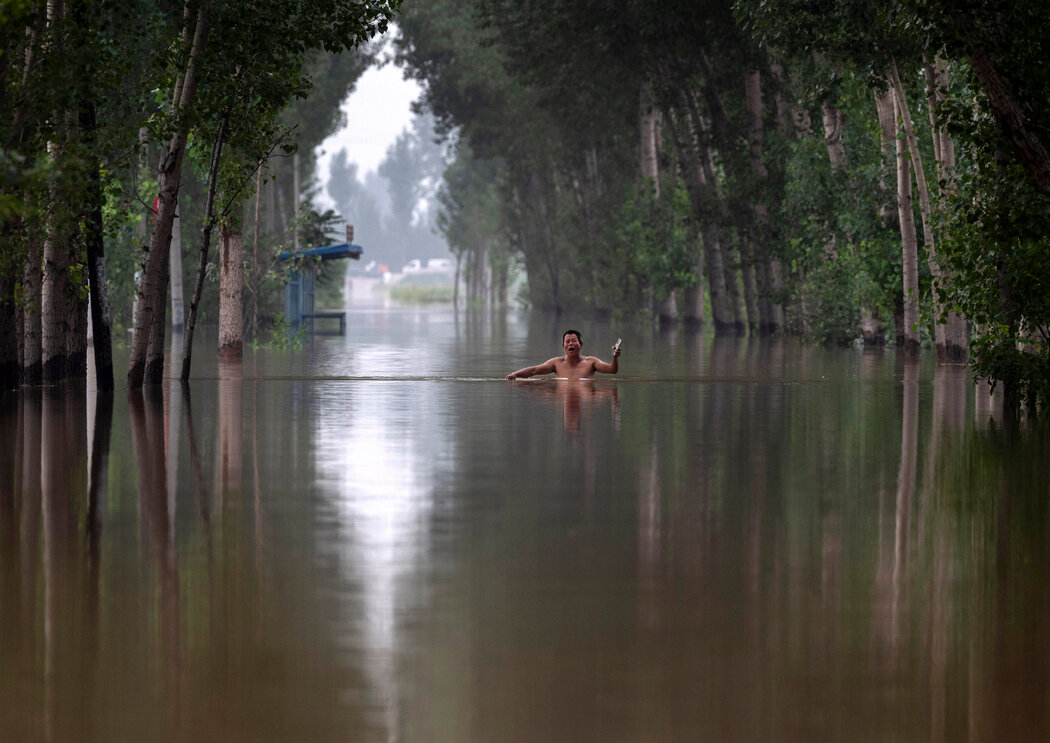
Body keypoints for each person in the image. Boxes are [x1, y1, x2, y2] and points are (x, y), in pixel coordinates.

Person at [505, 329, 620, 380]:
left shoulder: (591, 362)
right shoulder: (556, 363)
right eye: (567, 341)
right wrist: (515, 374)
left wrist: (614, 357)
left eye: (574, 340)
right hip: (563, 391)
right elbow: (534, 370)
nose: (571, 343)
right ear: (563, 346)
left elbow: (612, 370)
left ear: (581, 344)